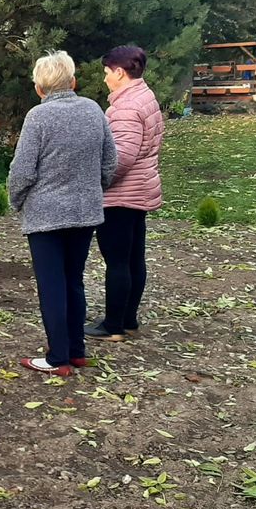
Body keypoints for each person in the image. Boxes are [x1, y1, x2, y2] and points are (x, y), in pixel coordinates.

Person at [7, 51, 118, 377]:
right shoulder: (94, 110)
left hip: (45, 217)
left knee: (52, 285)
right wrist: (93, 187)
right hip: (84, 213)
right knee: (73, 281)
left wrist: (16, 201)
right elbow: (109, 162)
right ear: (73, 81)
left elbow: (22, 172)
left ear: (39, 88)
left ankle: (58, 359)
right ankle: (76, 350)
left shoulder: (37, 118)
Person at [86, 46, 164, 341]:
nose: (104, 78)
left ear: (120, 72)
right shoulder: (146, 96)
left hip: (121, 195)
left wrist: (96, 180)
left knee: (118, 260)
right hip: (140, 190)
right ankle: (128, 319)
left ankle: (113, 325)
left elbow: (121, 157)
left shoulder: (126, 107)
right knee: (133, 258)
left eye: (107, 72)